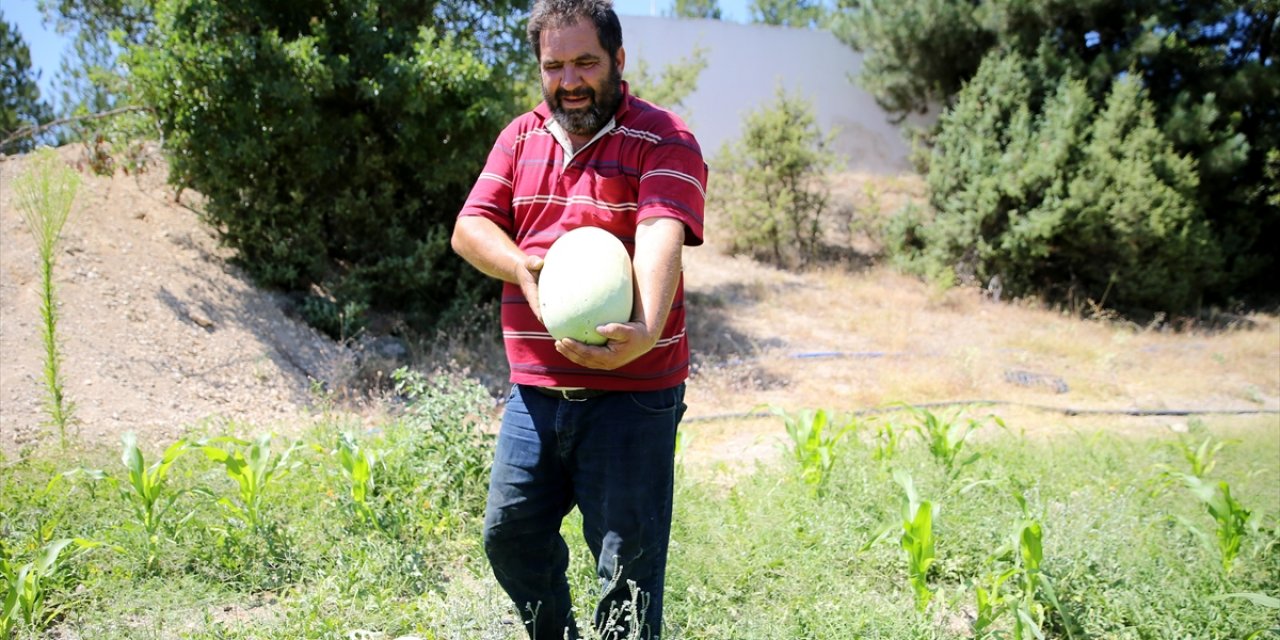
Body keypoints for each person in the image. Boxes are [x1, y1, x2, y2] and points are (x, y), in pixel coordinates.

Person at [450, 0, 706, 637]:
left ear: (618, 59)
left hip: (633, 395)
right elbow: (470, 227)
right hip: (535, 392)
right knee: (509, 534)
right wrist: (519, 265)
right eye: (553, 66)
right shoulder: (520, 136)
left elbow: (660, 231)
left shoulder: (664, 137)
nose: (569, 81)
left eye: (586, 63)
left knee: (627, 571)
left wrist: (644, 330)